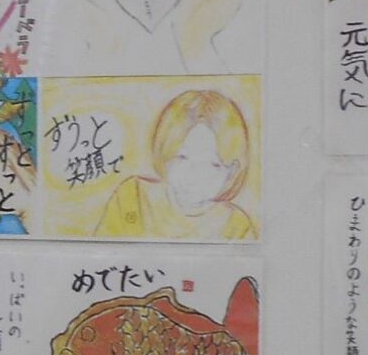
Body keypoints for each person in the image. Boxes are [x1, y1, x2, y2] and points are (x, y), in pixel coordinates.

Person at [93, 86, 256, 240]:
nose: (194, 175)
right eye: (182, 157)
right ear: (164, 153)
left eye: (214, 164)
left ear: (232, 170)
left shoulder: (237, 227)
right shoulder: (133, 197)